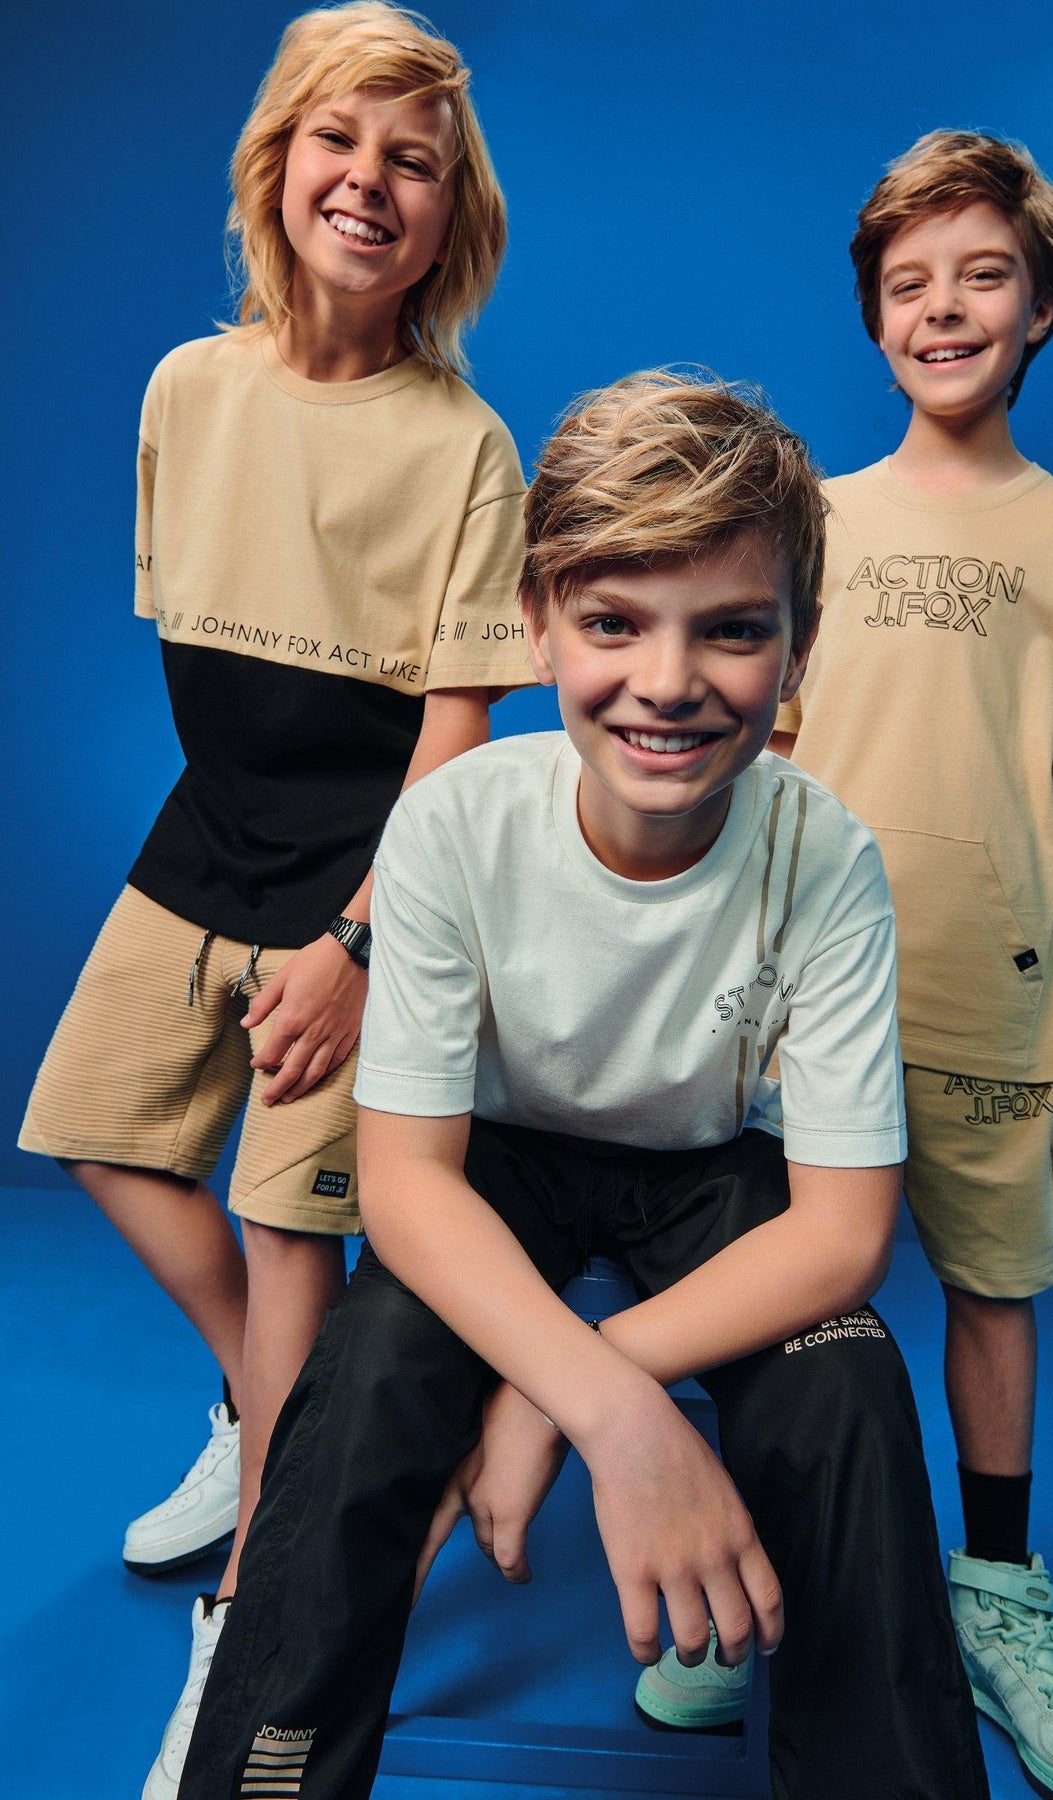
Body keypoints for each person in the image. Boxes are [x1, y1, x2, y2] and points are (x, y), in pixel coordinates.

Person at [177, 369, 990, 1800]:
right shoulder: (454, 825)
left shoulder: (826, 858)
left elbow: (843, 1232)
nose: (669, 681)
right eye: (615, 623)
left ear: (799, 647)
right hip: (496, 1164)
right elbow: (409, 1187)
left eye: (732, 628)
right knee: (362, 1381)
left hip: (713, 1173)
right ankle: (261, 1766)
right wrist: (620, 1417)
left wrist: (555, 1391)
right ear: (540, 622)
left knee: (847, 1386)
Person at [17, 5, 532, 1794]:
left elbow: (452, 742)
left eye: (414, 161)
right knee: (95, 1131)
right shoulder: (186, 389)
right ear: (277, 165)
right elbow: (208, 655)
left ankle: (256, 1610)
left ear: (450, 216)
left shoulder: (468, 445)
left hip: (363, 871)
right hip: (208, 835)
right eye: (340, 141)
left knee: (292, 1225)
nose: (370, 182)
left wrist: (355, 944)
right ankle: (288, 1426)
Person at [645, 133, 1053, 1800]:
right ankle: (754, 1580)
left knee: (995, 1293)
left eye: (981, 276)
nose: (944, 308)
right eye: (910, 283)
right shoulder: (812, 518)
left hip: (992, 985)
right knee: (796, 1286)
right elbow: (761, 744)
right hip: (813, 992)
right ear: (875, 317)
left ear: (1040, 308)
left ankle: (998, 1599)